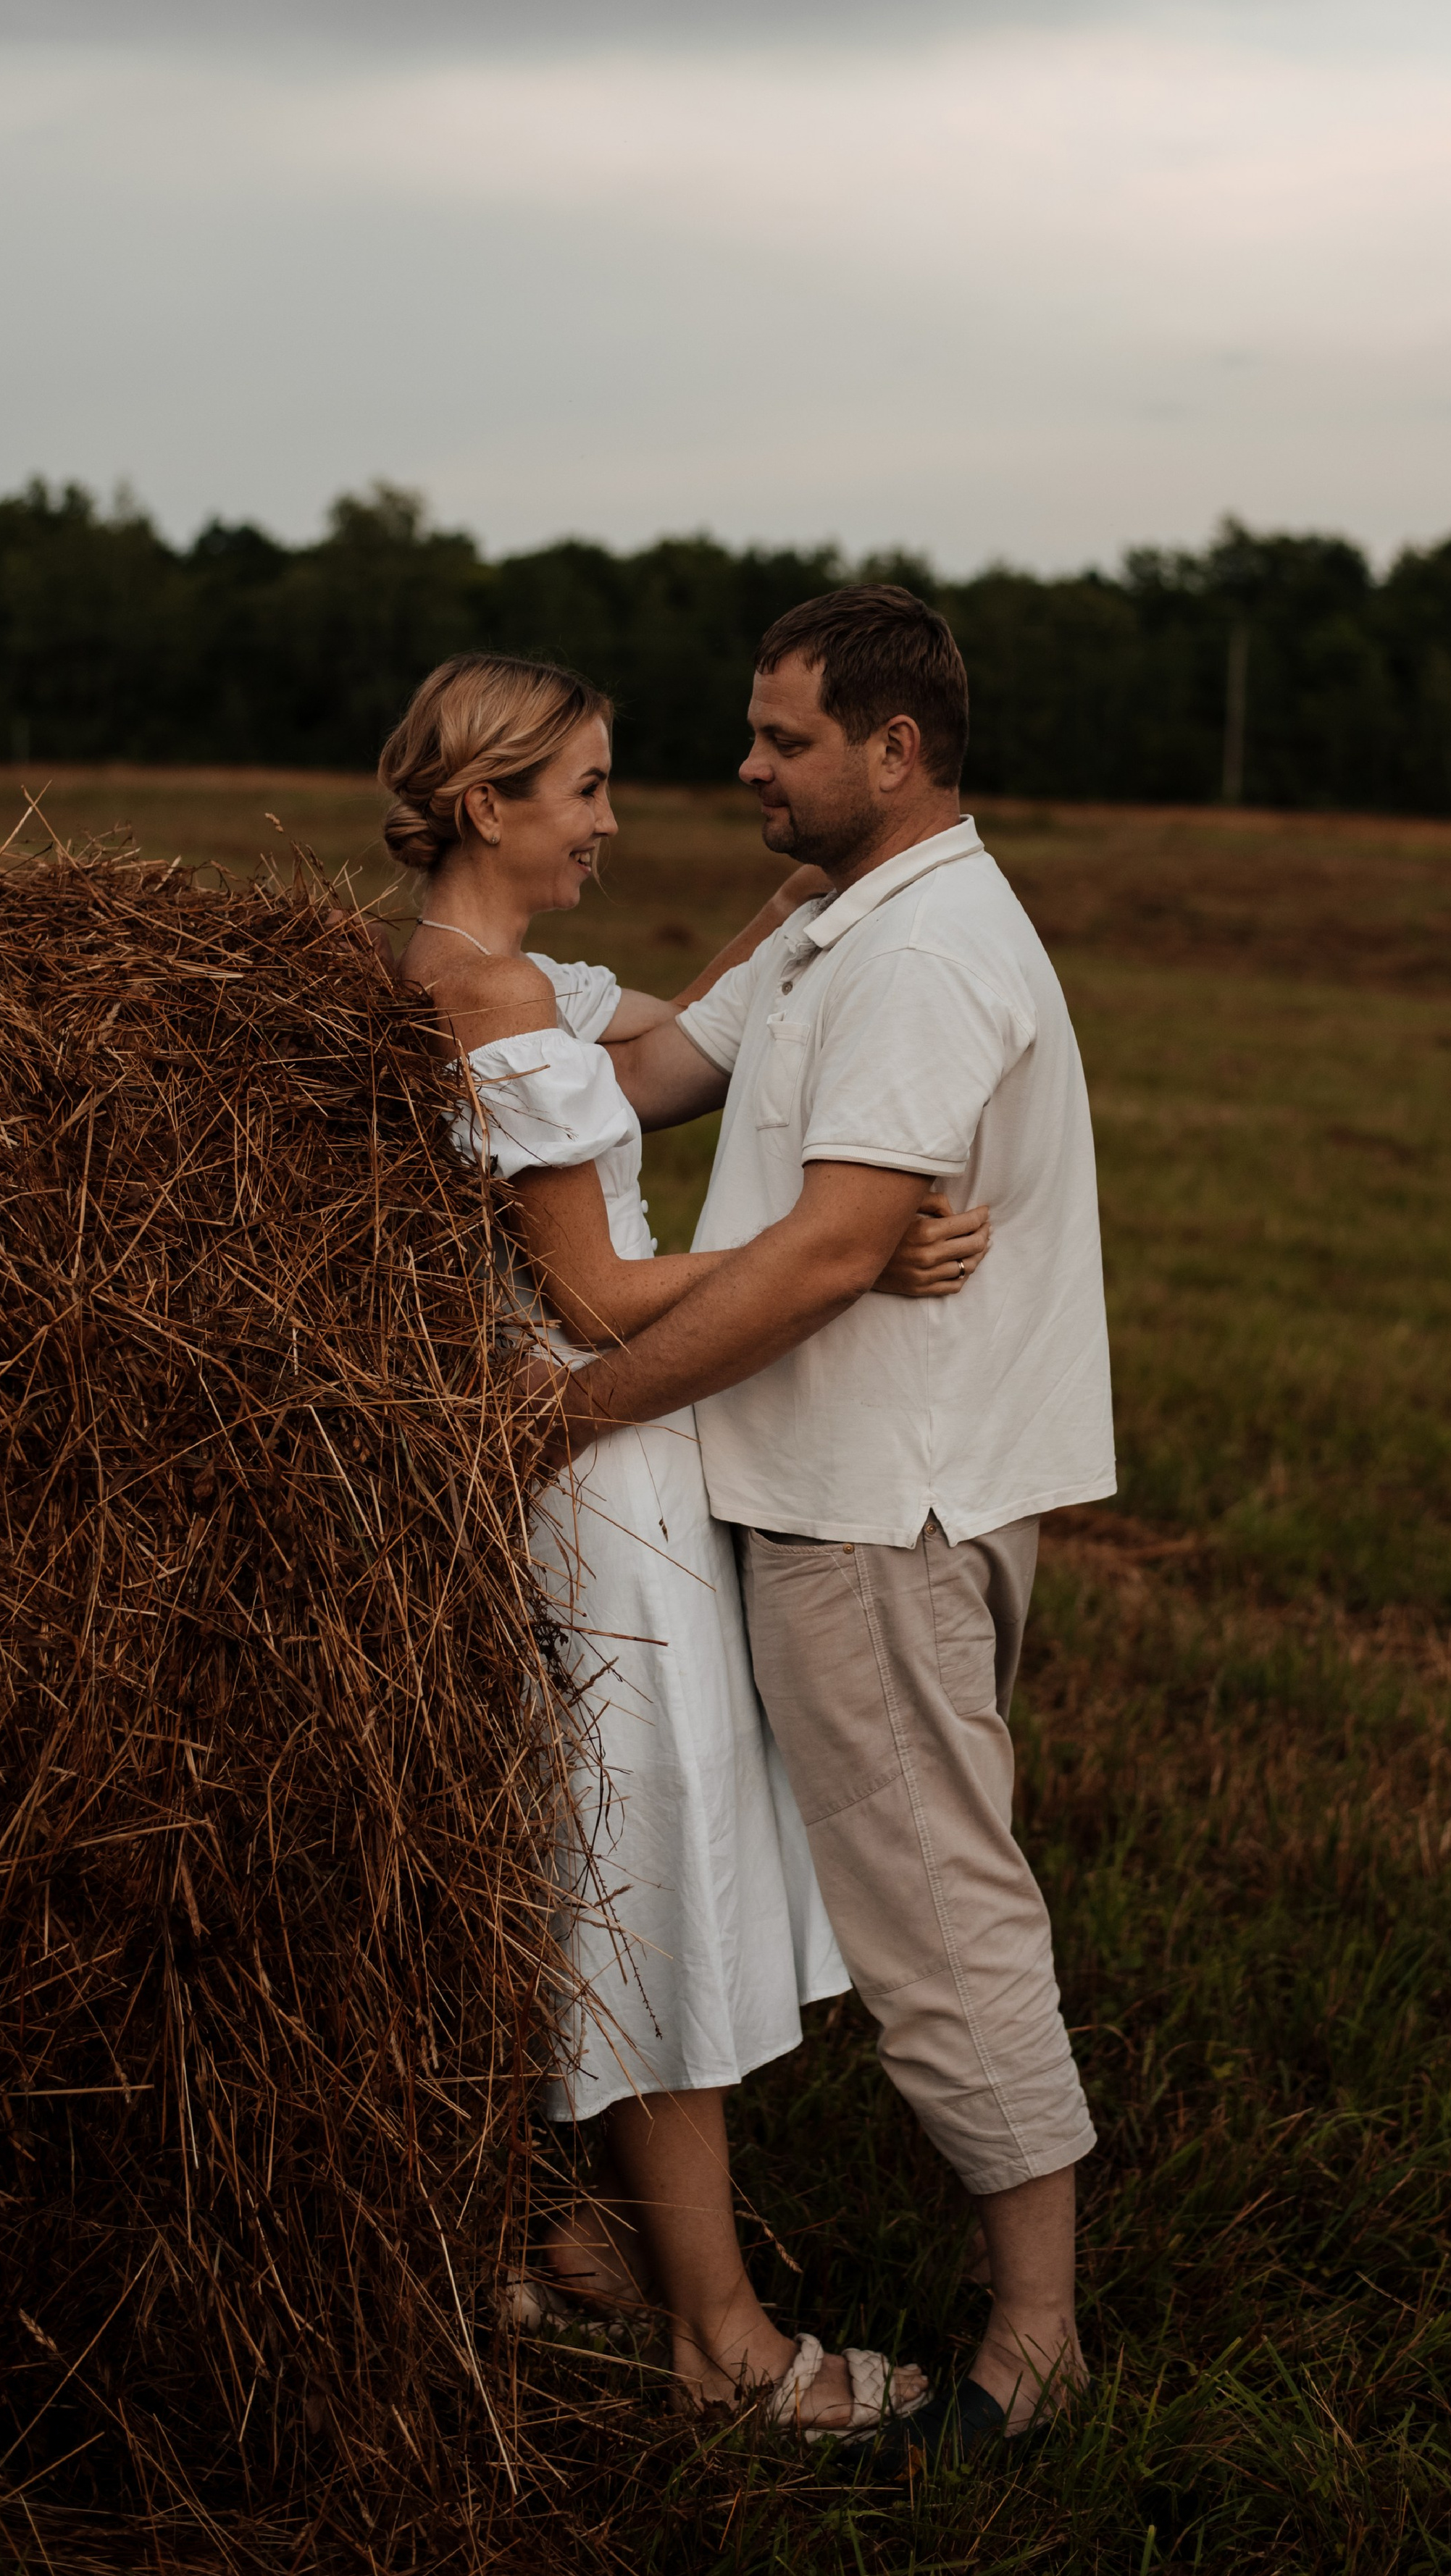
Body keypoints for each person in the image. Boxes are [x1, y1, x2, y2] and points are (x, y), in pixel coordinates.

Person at [377, 651, 991, 2437]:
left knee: (577, 1854)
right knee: (654, 1876)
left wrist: (789, 910)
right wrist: (840, 1247)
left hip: (542, 1472)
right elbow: (587, 1285)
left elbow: (673, 1051)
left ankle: (561, 2237)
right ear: (490, 803)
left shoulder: (443, 970)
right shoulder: (490, 1006)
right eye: (582, 788)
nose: (612, 816)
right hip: (599, 1468)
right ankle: (722, 2342)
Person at [559, 584, 1118, 2460]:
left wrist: (561, 1413)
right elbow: (646, 1078)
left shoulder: (925, 953)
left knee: (935, 1905)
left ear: (897, 750)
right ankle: (625, 2230)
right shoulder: (835, 924)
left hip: (882, 1505)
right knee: (730, 1860)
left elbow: (831, 1252)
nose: (745, 766)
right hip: (811, 1482)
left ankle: (1036, 2336)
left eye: (786, 738)